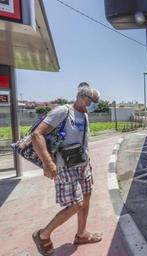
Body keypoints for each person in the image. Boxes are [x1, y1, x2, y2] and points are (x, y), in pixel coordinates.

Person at [31, 82, 102, 255]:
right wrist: (48, 162)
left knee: (86, 197)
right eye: (92, 102)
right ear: (82, 98)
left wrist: (88, 162)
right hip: (65, 166)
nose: (93, 106)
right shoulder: (63, 111)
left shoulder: (84, 115)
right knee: (75, 204)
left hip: (83, 165)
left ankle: (82, 234)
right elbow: (37, 134)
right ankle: (43, 235)